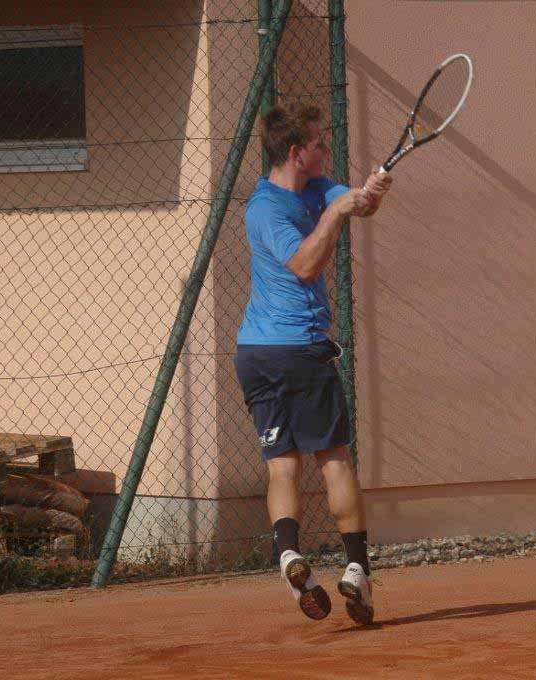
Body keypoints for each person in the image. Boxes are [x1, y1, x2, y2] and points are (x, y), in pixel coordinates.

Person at [233, 101, 392, 625]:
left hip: (256, 355)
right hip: (296, 352)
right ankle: (358, 570)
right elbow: (304, 263)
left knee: (281, 464)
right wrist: (335, 213)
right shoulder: (265, 209)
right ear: (296, 152)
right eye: (320, 143)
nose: (328, 148)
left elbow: (355, 204)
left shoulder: (316, 186)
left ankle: (288, 557)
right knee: (334, 459)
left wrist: (370, 192)